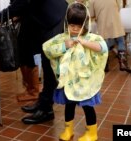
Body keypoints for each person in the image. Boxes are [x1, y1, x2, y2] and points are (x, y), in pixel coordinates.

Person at [43, 3, 108, 141]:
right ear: (67, 23)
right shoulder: (63, 37)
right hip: (68, 81)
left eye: (79, 26)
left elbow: (102, 48)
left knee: (88, 107)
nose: (75, 29)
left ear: (86, 24)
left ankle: (92, 133)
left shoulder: (91, 38)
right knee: (69, 105)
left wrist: (85, 43)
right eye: (72, 25)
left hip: (85, 82)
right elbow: (47, 49)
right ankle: (68, 130)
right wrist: (64, 46)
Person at [0, 0, 68, 124]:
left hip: (51, 16)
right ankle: (43, 102)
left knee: (49, 64)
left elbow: (24, 1)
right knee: (44, 62)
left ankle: (46, 110)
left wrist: (0, 16)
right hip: (43, 15)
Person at [89, 0, 131, 73]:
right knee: (120, 41)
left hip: (103, 23)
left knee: (105, 43)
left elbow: (91, 14)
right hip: (115, 21)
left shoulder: (92, 1)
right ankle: (123, 64)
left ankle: (105, 65)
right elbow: (118, 8)